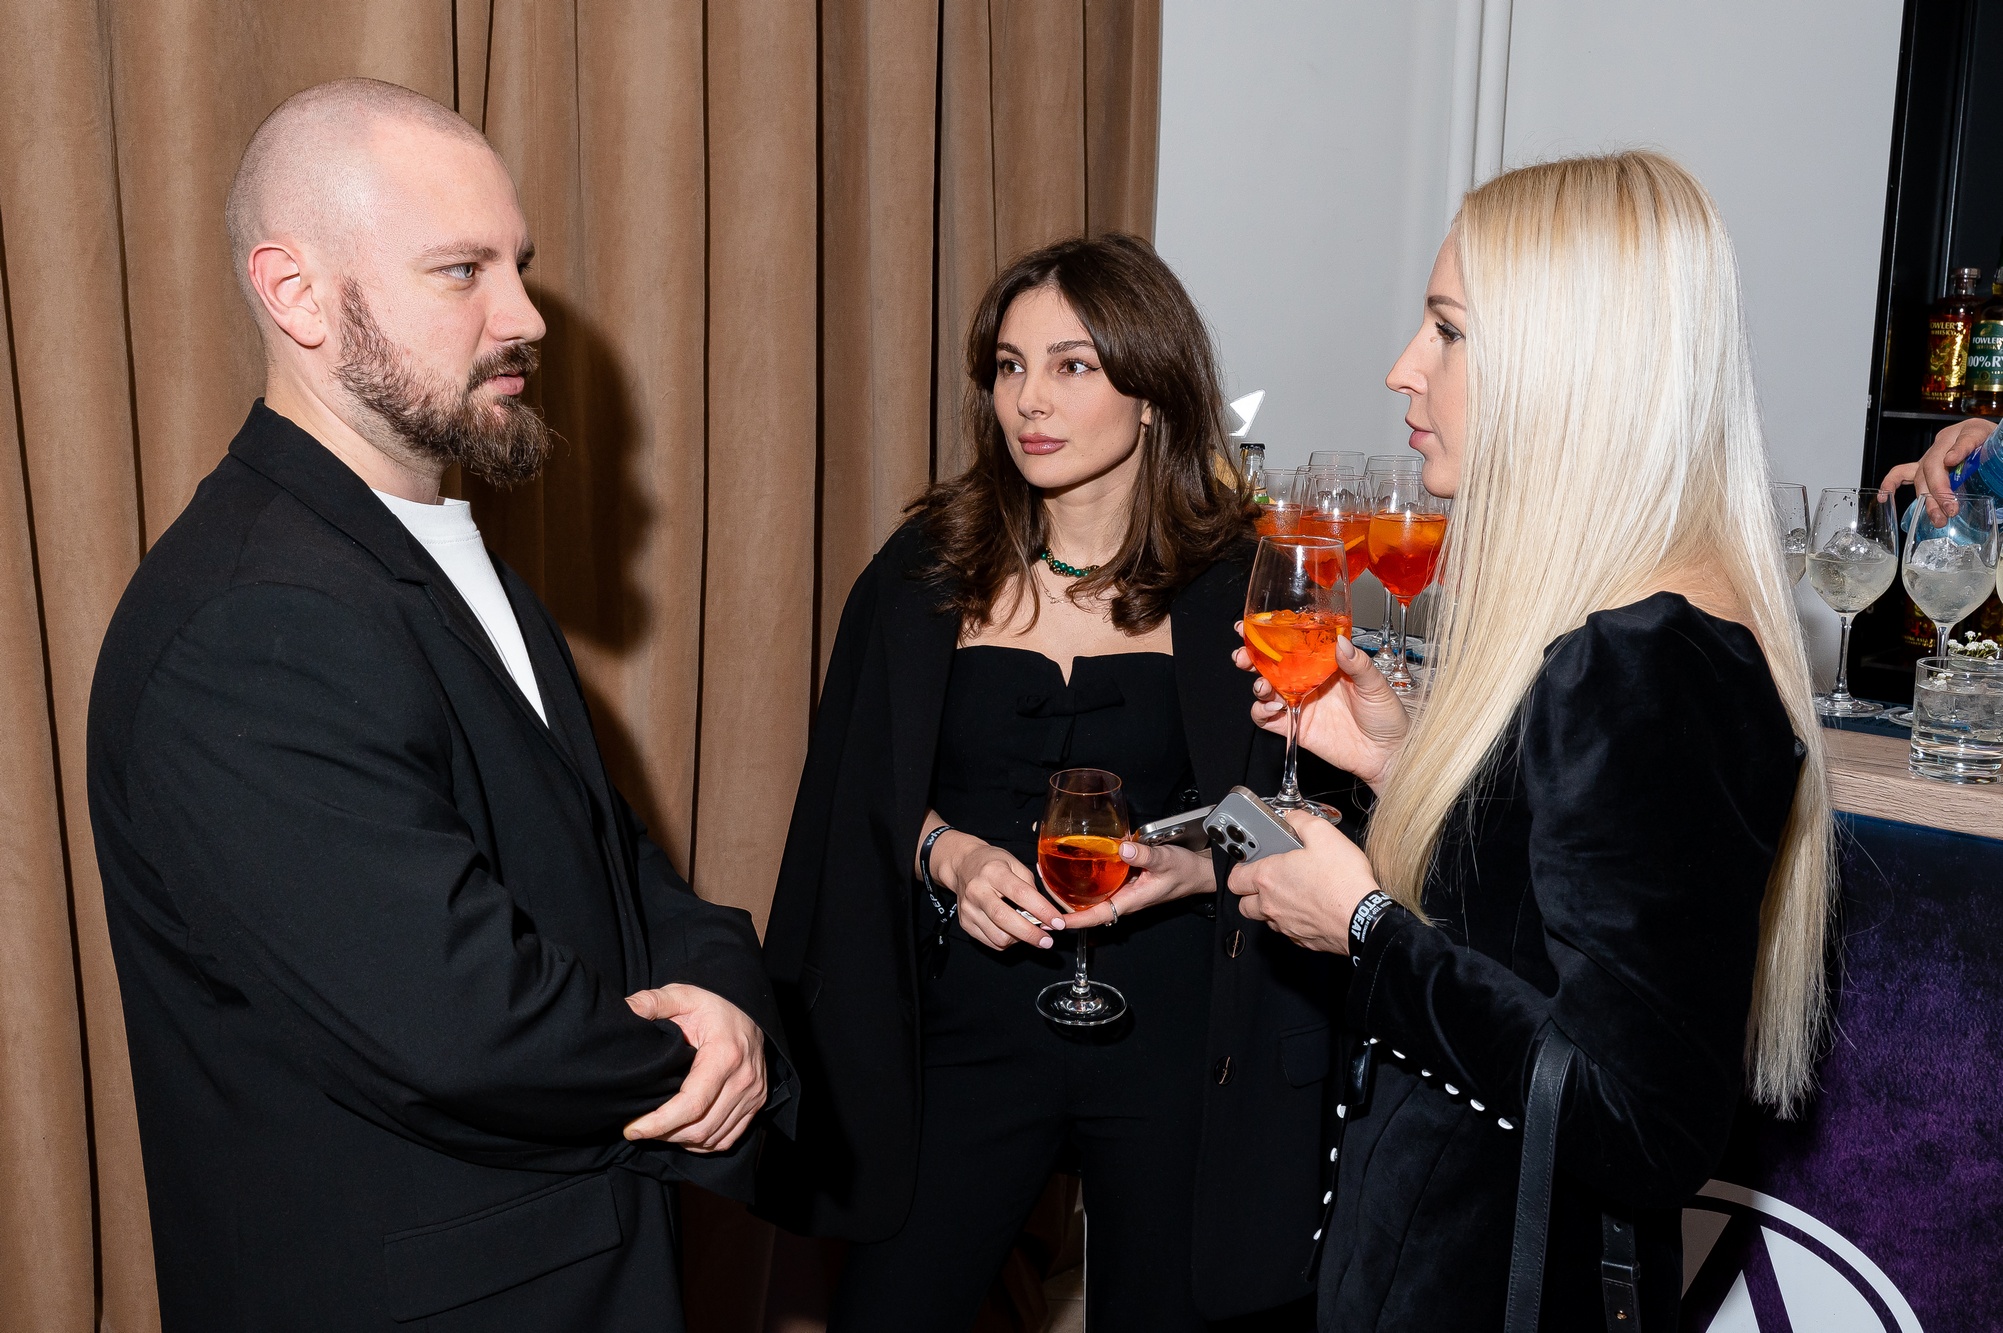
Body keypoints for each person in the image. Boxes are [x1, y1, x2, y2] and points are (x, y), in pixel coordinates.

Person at [86, 79, 793, 1333]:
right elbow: (462, 1021)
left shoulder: (432, 553)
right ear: (296, 293)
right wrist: (705, 1066)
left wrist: (729, 1000)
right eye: (461, 271)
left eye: (518, 266)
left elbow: (610, 861)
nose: (525, 317)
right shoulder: (250, 621)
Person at [1223, 152, 1835, 1330]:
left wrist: (1361, 928)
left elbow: (1636, 1122)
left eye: (1447, 330)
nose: (1403, 367)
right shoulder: (1632, 635)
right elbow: (1548, 929)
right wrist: (1410, 766)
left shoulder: (1644, 663)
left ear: (1570, 366)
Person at [757, 233, 1343, 1331]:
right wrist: (947, 854)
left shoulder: (1240, 588)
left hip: (1181, 1025)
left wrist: (1197, 868)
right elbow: (850, 793)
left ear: (1153, 392)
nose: (1028, 399)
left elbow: (1315, 814)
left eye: (1072, 365)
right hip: (965, 1019)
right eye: (1008, 365)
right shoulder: (923, 572)